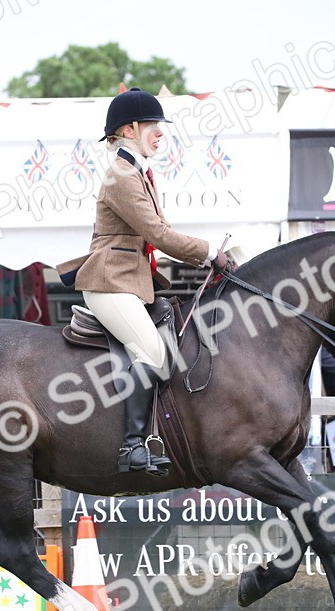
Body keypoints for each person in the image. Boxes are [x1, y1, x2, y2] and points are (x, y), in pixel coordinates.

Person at [58, 87, 235, 475]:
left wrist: (206, 258)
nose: (159, 134)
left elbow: (161, 232)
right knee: (154, 354)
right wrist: (209, 253)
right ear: (129, 129)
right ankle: (131, 448)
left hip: (130, 281)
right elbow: (157, 233)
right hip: (109, 282)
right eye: (153, 126)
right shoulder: (122, 174)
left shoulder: (138, 171)